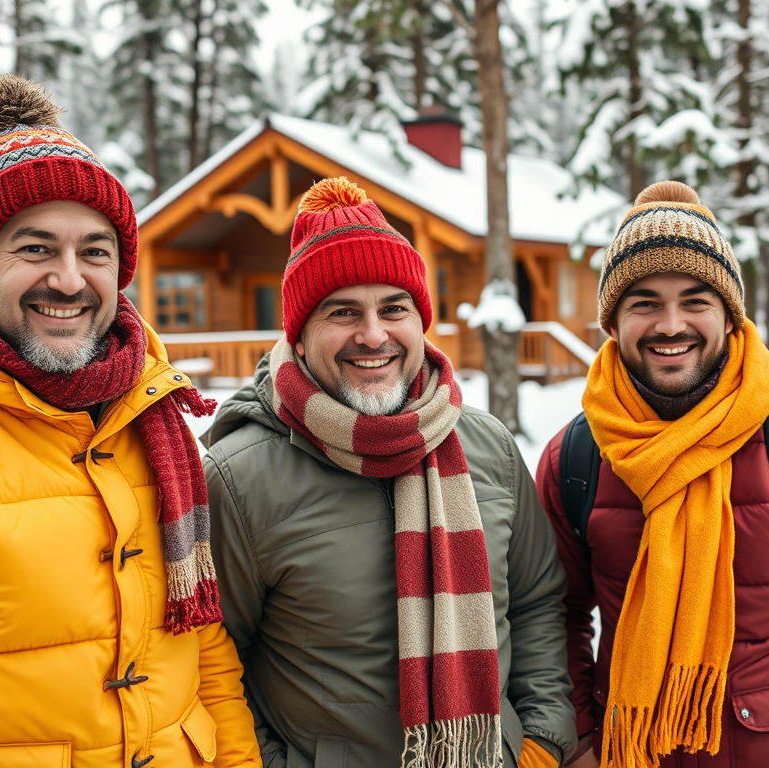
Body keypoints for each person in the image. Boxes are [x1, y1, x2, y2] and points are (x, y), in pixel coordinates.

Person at [0, 74, 260, 768]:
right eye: (36, 247)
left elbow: (201, 650)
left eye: (96, 251)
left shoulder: (151, 419)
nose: (71, 280)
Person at [203, 177, 576, 768]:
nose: (373, 335)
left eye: (393, 308)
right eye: (343, 311)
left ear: (420, 321)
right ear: (299, 336)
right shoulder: (238, 479)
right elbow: (210, 659)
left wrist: (540, 741)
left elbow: (536, 604)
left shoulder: (488, 446)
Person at [537, 180, 769, 768]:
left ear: (729, 314)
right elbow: (552, 614)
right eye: (644, 301)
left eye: (696, 299)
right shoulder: (575, 458)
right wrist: (579, 741)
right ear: (613, 322)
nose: (671, 324)